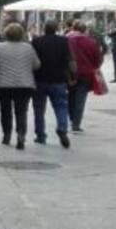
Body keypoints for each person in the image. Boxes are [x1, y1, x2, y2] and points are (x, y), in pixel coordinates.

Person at [0, 23, 40, 150]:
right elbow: (37, 65)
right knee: (21, 111)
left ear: (6, 34)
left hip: (3, 85)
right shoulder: (28, 48)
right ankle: (21, 135)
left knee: (5, 110)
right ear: (22, 34)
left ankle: (6, 135)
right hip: (24, 85)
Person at [32, 19, 74, 148]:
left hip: (40, 79)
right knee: (61, 106)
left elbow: (32, 61)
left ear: (44, 28)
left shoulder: (36, 41)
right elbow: (70, 61)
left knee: (39, 109)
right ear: (56, 29)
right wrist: (73, 75)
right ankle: (62, 127)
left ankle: (40, 135)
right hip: (59, 80)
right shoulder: (63, 41)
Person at [67, 20, 104, 133]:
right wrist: (94, 66)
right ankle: (76, 124)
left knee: (70, 97)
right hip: (86, 74)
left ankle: (72, 118)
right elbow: (97, 58)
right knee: (80, 99)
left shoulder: (67, 40)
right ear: (85, 30)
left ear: (73, 28)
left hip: (70, 74)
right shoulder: (91, 42)